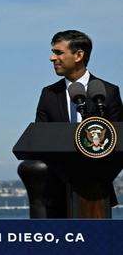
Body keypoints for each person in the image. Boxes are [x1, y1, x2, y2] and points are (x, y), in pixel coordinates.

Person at [35, 30, 123, 217]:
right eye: (53, 52)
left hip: (98, 195)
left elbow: (118, 141)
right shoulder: (49, 95)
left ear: (79, 55)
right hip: (57, 196)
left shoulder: (108, 92)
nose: (52, 58)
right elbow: (40, 141)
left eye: (58, 52)